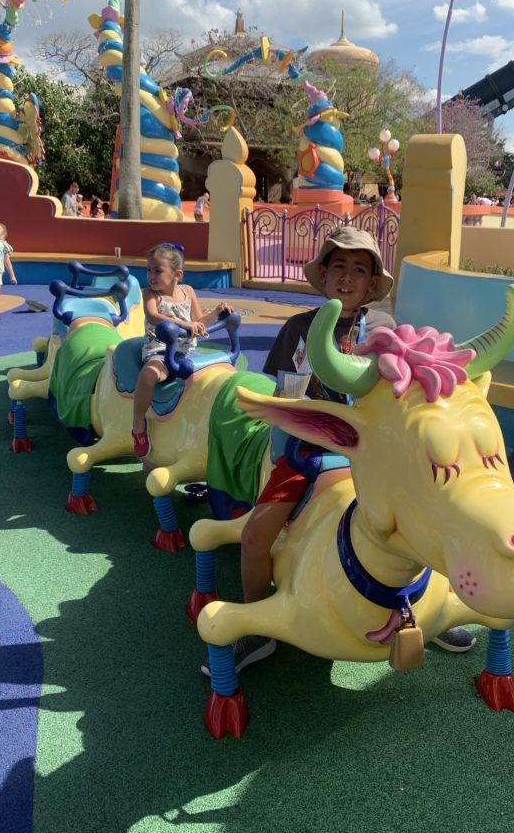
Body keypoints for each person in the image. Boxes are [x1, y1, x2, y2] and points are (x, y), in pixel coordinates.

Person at [208, 226, 477, 675]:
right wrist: (282, 451)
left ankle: (436, 609)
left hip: (374, 452)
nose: (347, 278)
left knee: (424, 513)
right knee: (256, 535)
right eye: (339, 267)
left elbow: (404, 389)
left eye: (359, 269)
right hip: (310, 449)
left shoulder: (383, 332)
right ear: (324, 275)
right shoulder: (297, 328)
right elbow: (283, 395)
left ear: (372, 283)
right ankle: (257, 624)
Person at [131, 244, 233, 457]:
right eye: (149, 269)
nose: (151, 275)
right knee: (149, 375)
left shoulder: (188, 292)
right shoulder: (150, 294)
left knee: (214, 377)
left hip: (187, 352)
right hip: (159, 351)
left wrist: (216, 313)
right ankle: (138, 424)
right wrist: (182, 324)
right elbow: (153, 317)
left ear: (177, 274)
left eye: (157, 270)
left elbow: (198, 322)